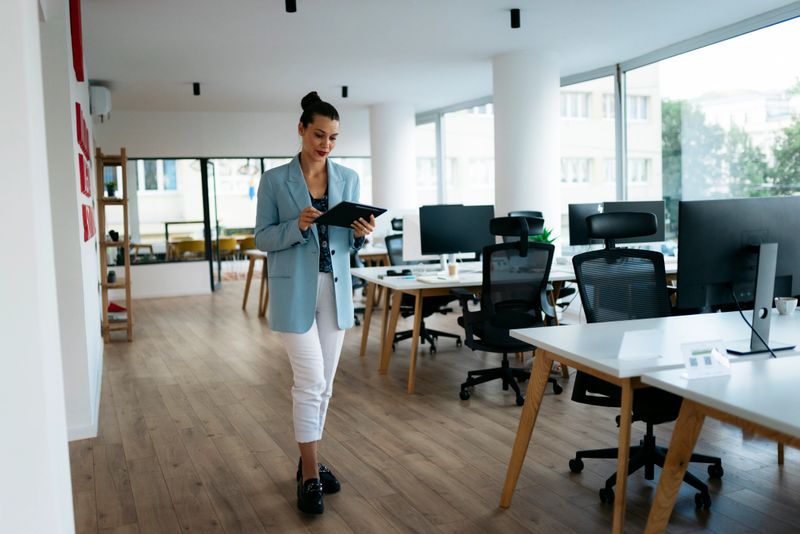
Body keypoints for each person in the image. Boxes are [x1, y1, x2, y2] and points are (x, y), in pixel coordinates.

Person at [254, 91, 375, 515]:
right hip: (294, 290)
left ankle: (310, 458)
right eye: (319, 134)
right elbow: (262, 237)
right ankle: (310, 474)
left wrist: (361, 233)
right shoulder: (274, 180)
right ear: (302, 129)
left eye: (334, 137)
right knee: (309, 380)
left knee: (324, 385)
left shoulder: (349, 179)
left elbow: (350, 246)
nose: (326, 144)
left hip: (336, 290)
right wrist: (296, 225)